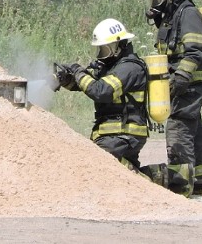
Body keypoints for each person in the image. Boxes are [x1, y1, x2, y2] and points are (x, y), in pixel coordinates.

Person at [143, 0, 202, 197]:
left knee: (178, 126)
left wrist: (179, 81)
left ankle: (182, 183)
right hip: (179, 83)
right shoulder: (171, 17)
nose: (154, 1)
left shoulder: (188, 14)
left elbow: (195, 52)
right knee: (192, 126)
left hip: (187, 84)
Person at [56, 18, 149, 173]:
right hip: (112, 136)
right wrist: (68, 80)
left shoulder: (129, 68)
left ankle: (146, 180)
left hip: (124, 135)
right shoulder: (112, 67)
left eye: (104, 49)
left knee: (101, 164)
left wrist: (78, 72)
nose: (101, 55)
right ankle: (154, 176)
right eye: (100, 50)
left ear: (118, 46)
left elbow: (100, 91)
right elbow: (87, 85)